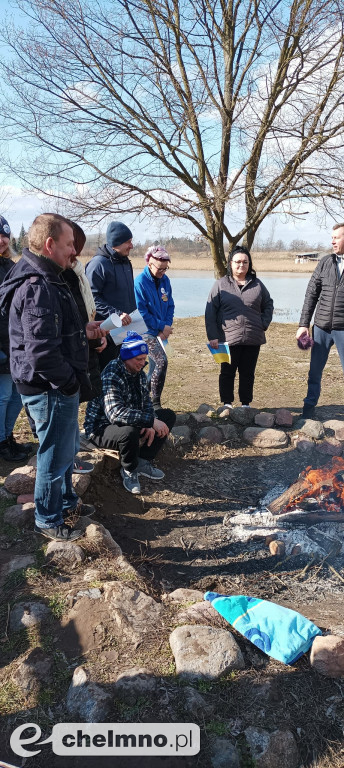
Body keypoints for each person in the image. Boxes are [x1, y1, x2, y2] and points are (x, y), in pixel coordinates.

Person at [0, 213, 106, 541]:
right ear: (49, 245)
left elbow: (52, 331)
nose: (74, 251)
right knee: (54, 452)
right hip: (48, 385)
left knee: (61, 449)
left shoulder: (50, 276)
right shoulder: (36, 284)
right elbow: (41, 351)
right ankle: (48, 518)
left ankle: (66, 501)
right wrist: (68, 383)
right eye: (69, 244)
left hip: (53, 382)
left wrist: (82, 331)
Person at [84, 331, 176, 494]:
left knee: (167, 416)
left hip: (126, 421)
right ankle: (129, 469)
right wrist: (149, 421)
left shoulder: (139, 373)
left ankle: (142, 460)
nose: (143, 363)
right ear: (126, 357)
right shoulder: (112, 373)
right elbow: (114, 413)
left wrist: (151, 419)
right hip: (101, 427)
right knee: (129, 431)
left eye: (144, 358)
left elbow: (146, 402)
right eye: (138, 359)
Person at [205, 245, 273, 408]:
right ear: (230, 263)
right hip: (228, 338)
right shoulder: (220, 284)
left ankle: (245, 404)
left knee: (248, 373)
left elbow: (268, 304)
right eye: (238, 262)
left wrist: (263, 323)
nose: (241, 265)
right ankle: (227, 403)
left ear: (249, 264)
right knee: (227, 373)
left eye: (245, 262)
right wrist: (213, 335)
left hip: (253, 337)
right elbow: (210, 312)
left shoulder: (257, 284)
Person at [63, 221, 107, 474]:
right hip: (69, 353)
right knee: (66, 410)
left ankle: (72, 454)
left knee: (75, 407)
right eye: (70, 244)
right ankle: (68, 460)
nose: (75, 251)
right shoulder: (60, 276)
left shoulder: (77, 271)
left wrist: (94, 335)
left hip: (83, 343)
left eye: (76, 245)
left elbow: (85, 311)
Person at [297, 223, 344, 419]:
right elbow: (311, 294)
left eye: (337, 237)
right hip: (321, 328)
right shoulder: (325, 262)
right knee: (314, 372)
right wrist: (303, 324)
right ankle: (308, 411)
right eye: (332, 237)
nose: (332, 241)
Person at [0, 215, 31, 461]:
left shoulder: (11, 266)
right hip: (0, 344)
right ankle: (1, 442)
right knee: (2, 396)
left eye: (5, 236)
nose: (2, 240)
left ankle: (6, 436)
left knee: (17, 395)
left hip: (14, 342)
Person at [86, 221, 136, 369]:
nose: (131, 246)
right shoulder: (98, 264)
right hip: (106, 333)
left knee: (126, 372)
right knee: (107, 373)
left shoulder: (126, 263)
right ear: (116, 242)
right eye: (128, 242)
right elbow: (92, 299)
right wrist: (117, 314)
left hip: (127, 331)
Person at [134, 244, 174, 409]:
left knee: (156, 364)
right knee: (160, 362)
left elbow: (170, 305)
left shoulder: (165, 281)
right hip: (145, 331)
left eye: (165, 269)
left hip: (161, 332)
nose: (162, 272)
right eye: (160, 269)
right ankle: (154, 401)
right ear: (149, 263)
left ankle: (144, 399)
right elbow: (141, 312)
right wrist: (160, 326)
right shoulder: (140, 282)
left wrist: (166, 326)